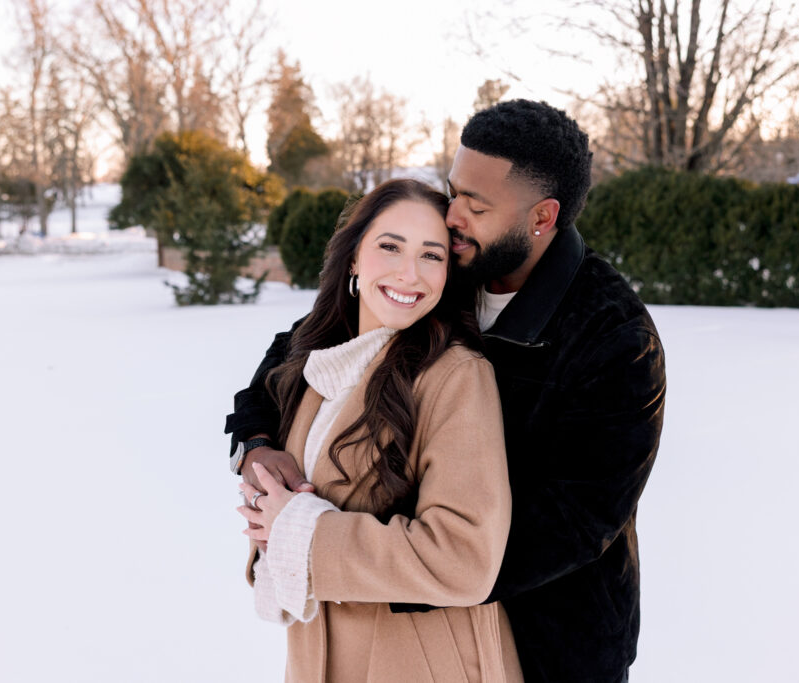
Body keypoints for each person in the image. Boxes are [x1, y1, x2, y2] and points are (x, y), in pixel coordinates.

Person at [227, 100, 667, 682]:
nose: (451, 216)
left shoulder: (615, 339)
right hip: (395, 629)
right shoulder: (444, 267)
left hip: (552, 640)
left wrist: (326, 540)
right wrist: (258, 443)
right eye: (453, 190)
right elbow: (299, 355)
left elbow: (572, 524)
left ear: (541, 217)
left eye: (476, 206)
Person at [235, 179, 521, 682]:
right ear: (353, 258)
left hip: (423, 663)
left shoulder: (456, 376)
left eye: (431, 255)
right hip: (319, 658)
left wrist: (306, 533)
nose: (409, 273)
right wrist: (260, 463)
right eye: (390, 246)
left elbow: (466, 559)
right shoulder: (323, 363)